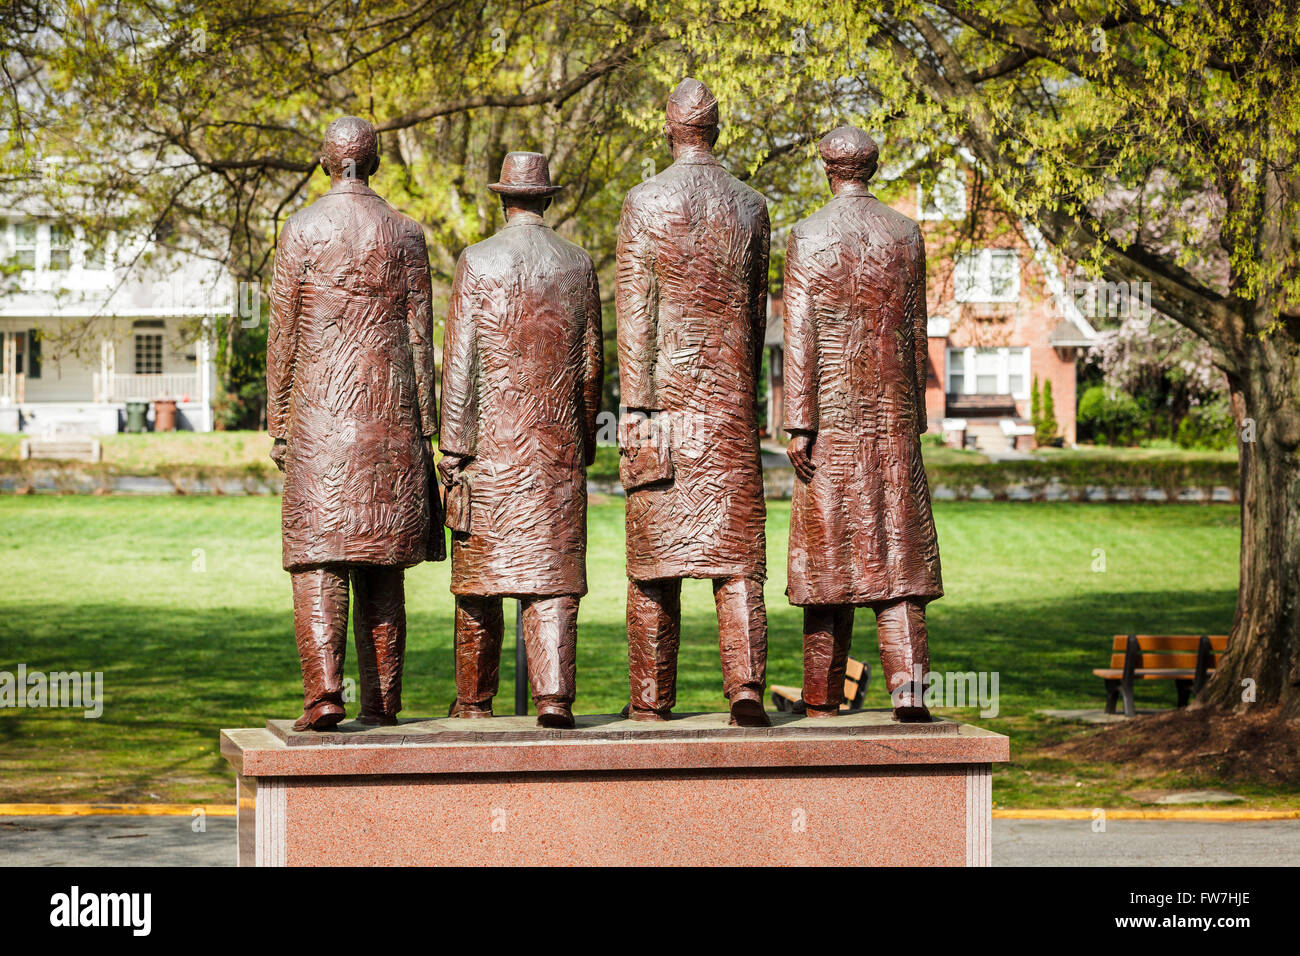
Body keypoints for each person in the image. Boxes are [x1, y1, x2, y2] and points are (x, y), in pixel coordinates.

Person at [267, 116, 443, 732]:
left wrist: (279, 422)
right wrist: (428, 430)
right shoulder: (407, 233)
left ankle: (323, 694)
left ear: (326, 162)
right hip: (390, 422)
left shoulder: (302, 229)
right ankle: (382, 700)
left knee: (320, 558)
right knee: (381, 562)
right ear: (374, 163)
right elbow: (422, 341)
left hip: (320, 420)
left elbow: (283, 336)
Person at [782, 126, 943, 721]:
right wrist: (914, 417)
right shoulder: (906, 233)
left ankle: (822, 698)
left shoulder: (808, 235)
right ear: (870, 167)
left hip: (833, 425)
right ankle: (910, 693)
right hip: (892, 424)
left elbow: (799, 334)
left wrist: (799, 423)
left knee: (829, 565)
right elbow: (915, 330)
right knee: (898, 565)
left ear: (828, 167)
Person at [438, 151, 603, 729]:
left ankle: (475, 698)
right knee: (550, 582)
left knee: (481, 585)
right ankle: (554, 697)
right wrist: (582, 440)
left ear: (503, 199)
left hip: (492, 450)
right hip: (555, 449)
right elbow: (589, 368)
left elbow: (460, 367)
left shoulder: (476, 262)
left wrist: (454, 450)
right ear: (547, 199)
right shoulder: (577, 266)